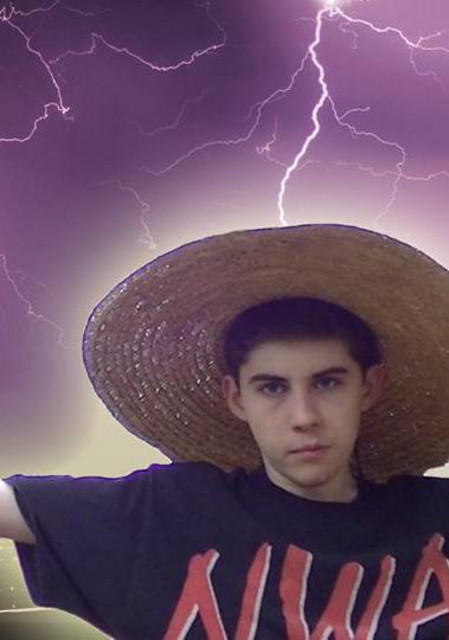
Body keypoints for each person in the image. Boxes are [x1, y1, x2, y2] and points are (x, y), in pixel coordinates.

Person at [1, 222, 449, 640]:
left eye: (327, 383)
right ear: (236, 398)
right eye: (272, 388)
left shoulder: (434, 519)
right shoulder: (174, 513)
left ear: (369, 388)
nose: (303, 416)